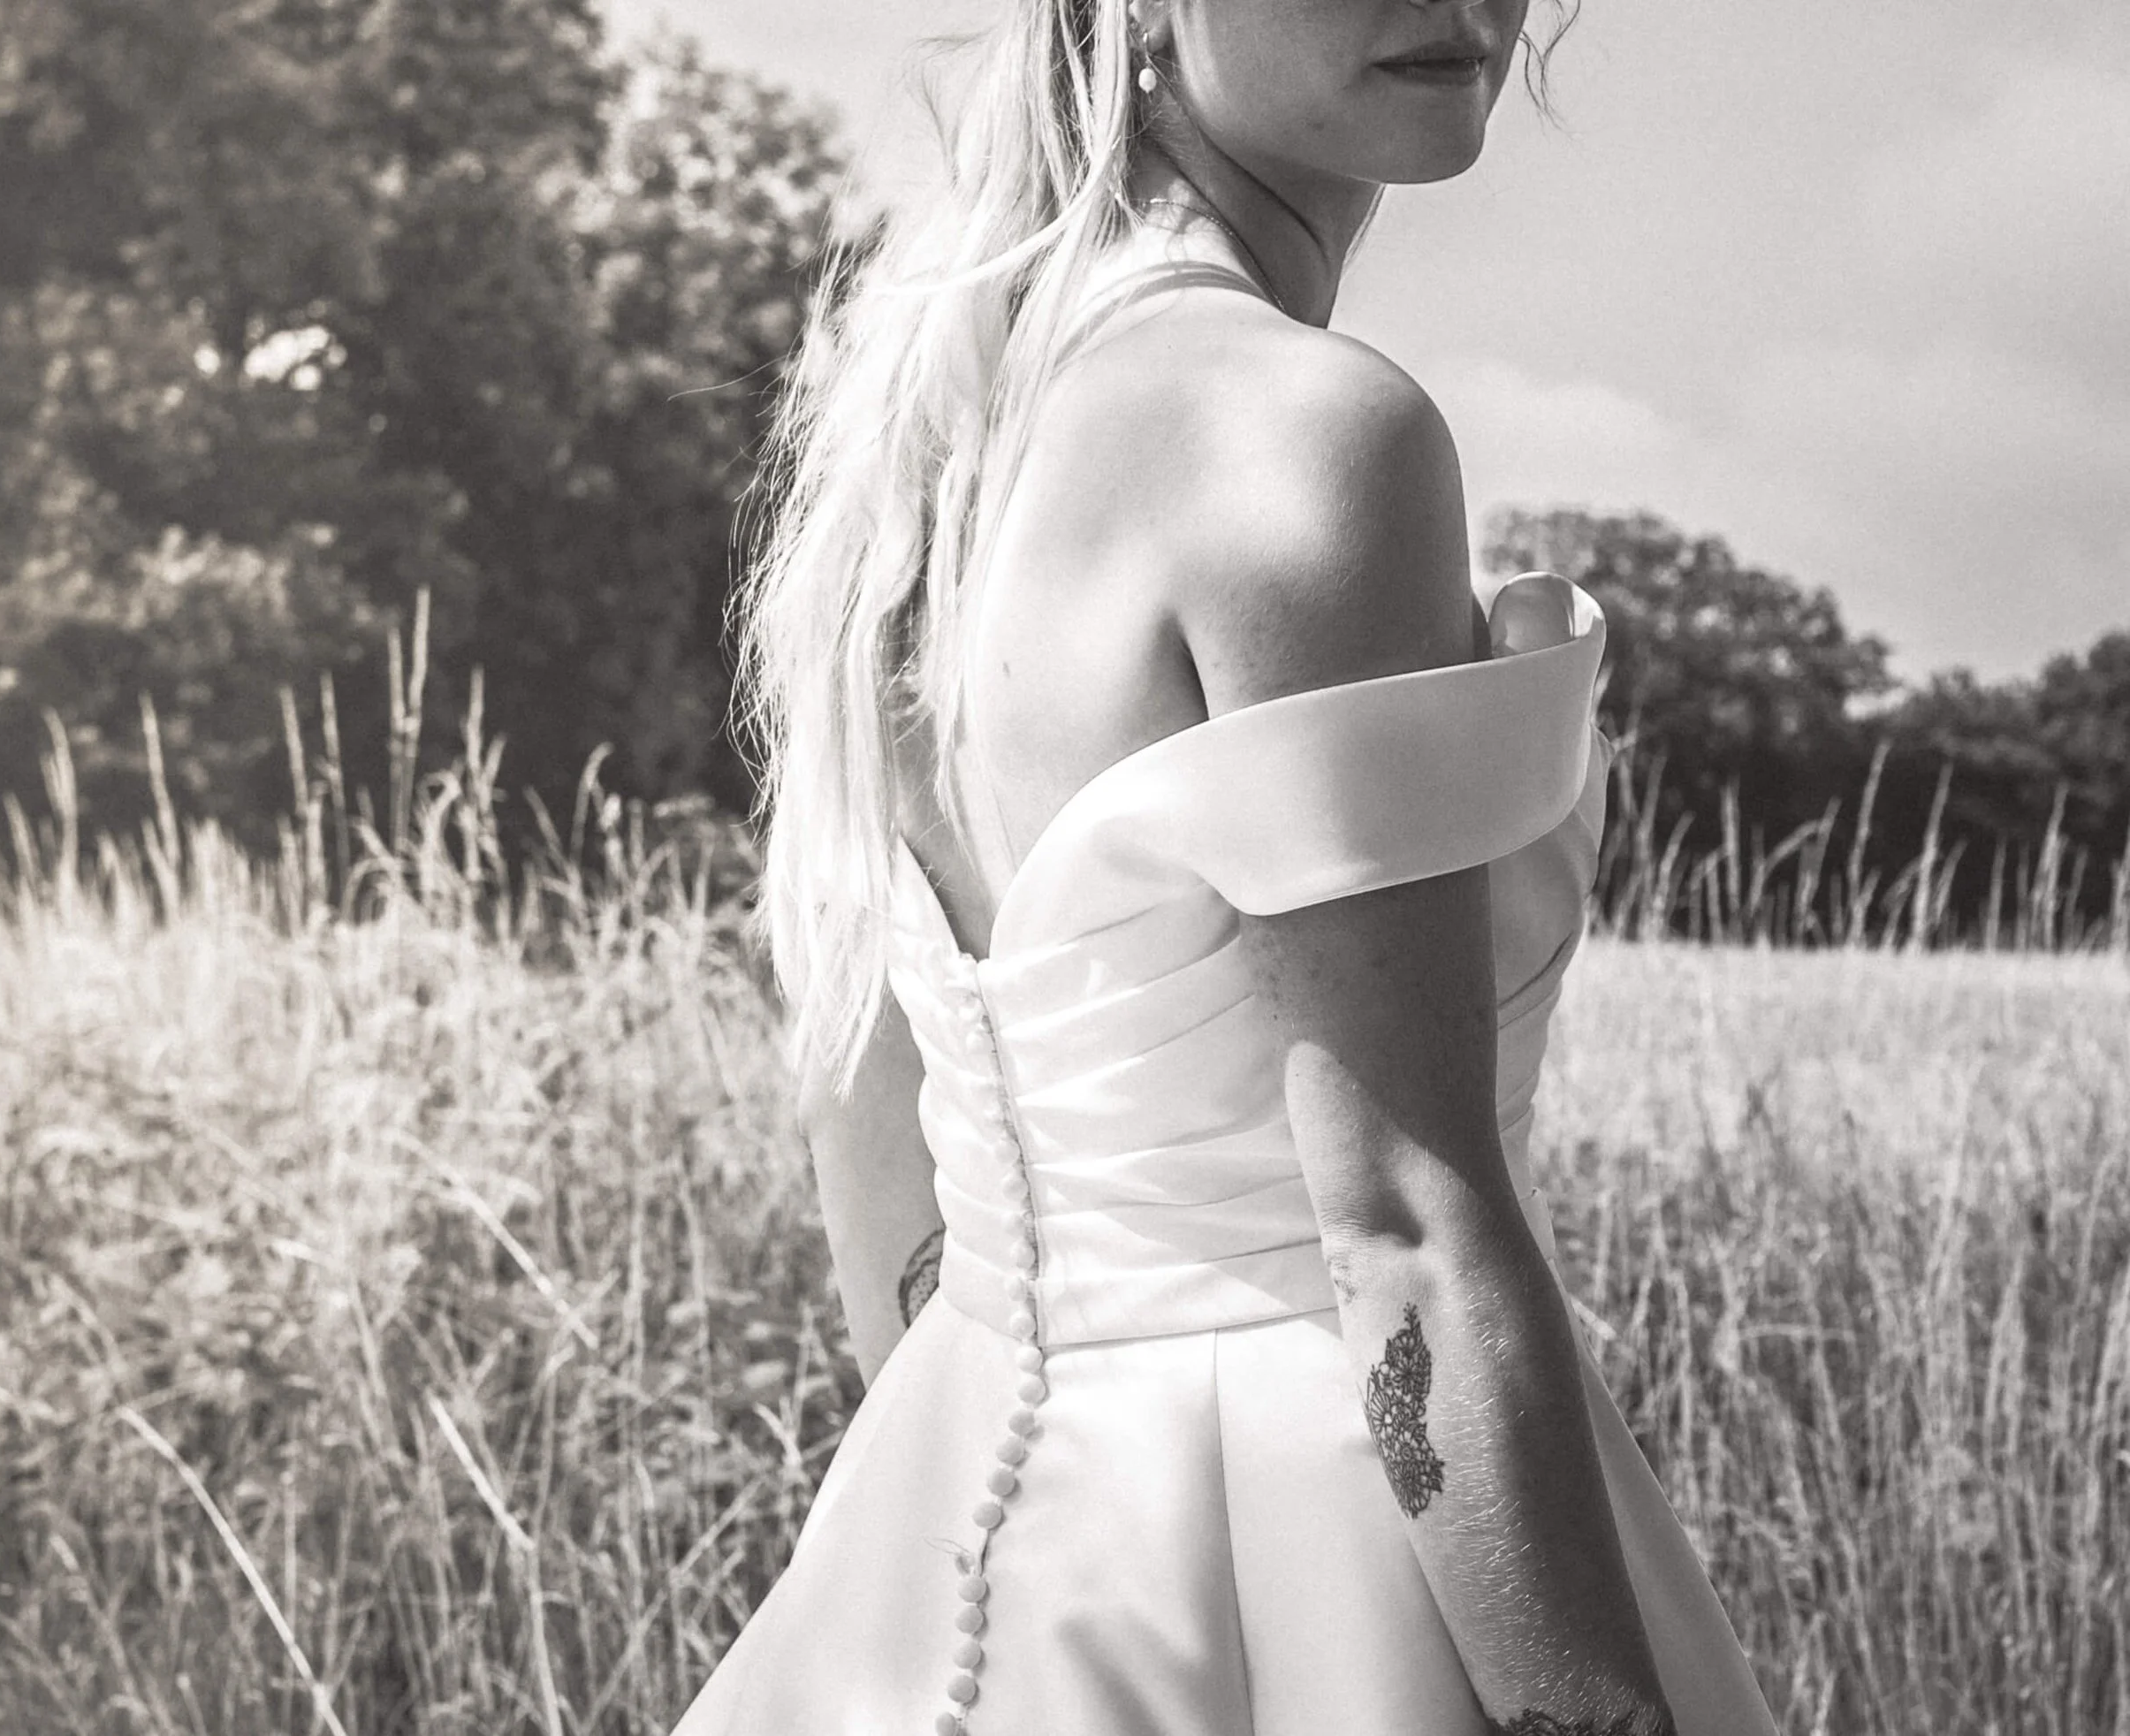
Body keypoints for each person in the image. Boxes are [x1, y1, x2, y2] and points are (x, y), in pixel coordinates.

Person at [688, 1, 1781, 1732]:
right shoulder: (1303, 432)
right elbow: (1405, 1226)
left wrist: (994, 1501)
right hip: (1323, 1539)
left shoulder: (929, 425)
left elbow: (862, 1084)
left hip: (967, 1516)